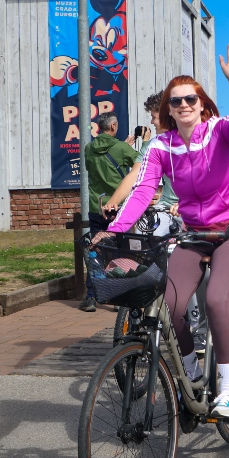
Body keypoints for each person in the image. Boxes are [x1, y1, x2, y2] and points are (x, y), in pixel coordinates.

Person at [98, 42, 229, 420]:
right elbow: (142, 192)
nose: (184, 105)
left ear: (201, 105)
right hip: (195, 235)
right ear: (168, 110)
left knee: (216, 301)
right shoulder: (160, 146)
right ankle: (190, 371)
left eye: (190, 99)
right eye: (176, 101)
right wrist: (116, 231)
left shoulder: (218, 131)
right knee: (170, 306)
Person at [80, 112, 139, 311]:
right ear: (113, 126)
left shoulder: (88, 148)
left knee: (96, 249)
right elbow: (141, 165)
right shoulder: (121, 148)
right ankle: (118, 297)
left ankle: (91, 296)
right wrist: (126, 147)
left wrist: (121, 148)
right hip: (118, 207)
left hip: (97, 206)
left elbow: (94, 167)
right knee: (120, 250)